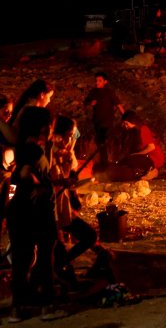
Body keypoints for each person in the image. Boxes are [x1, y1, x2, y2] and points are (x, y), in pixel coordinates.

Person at [7, 107, 67, 322]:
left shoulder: (22, 147)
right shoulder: (32, 150)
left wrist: (54, 183)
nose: (52, 129)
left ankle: (18, 308)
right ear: (42, 126)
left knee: (21, 261)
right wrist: (38, 187)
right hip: (36, 212)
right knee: (43, 258)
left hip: (18, 211)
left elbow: (15, 182)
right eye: (50, 125)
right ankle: (47, 306)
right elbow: (23, 175)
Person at [48, 116, 107, 287]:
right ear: (56, 134)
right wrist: (60, 182)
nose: (69, 139)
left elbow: (70, 178)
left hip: (63, 207)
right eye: (66, 135)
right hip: (49, 208)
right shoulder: (46, 152)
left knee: (89, 235)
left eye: (71, 136)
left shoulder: (67, 153)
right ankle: (59, 270)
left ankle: (61, 265)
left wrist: (73, 191)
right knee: (56, 246)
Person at [107, 111, 163, 182]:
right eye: (123, 123)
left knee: (132, 162)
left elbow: (151, 147)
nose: (124, 126)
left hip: (152, 157)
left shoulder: (143, 129)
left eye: (126, 123)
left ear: (133, 122)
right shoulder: (129, 133)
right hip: (141, 156)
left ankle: (152, 172)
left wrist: (136, 155)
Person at [84, 72, 124, 167]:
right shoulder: (93, 92)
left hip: (107, 121)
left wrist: (125, 116)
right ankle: (103, 162)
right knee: (99, 141)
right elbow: (86, 102)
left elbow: (118, 104)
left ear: (105, 82)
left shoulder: (109, 92)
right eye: (96, 80)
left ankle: (106, 163)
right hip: (97, 121)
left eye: (100, 81)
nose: (97, 82)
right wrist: (90, 103)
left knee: (104, 141)